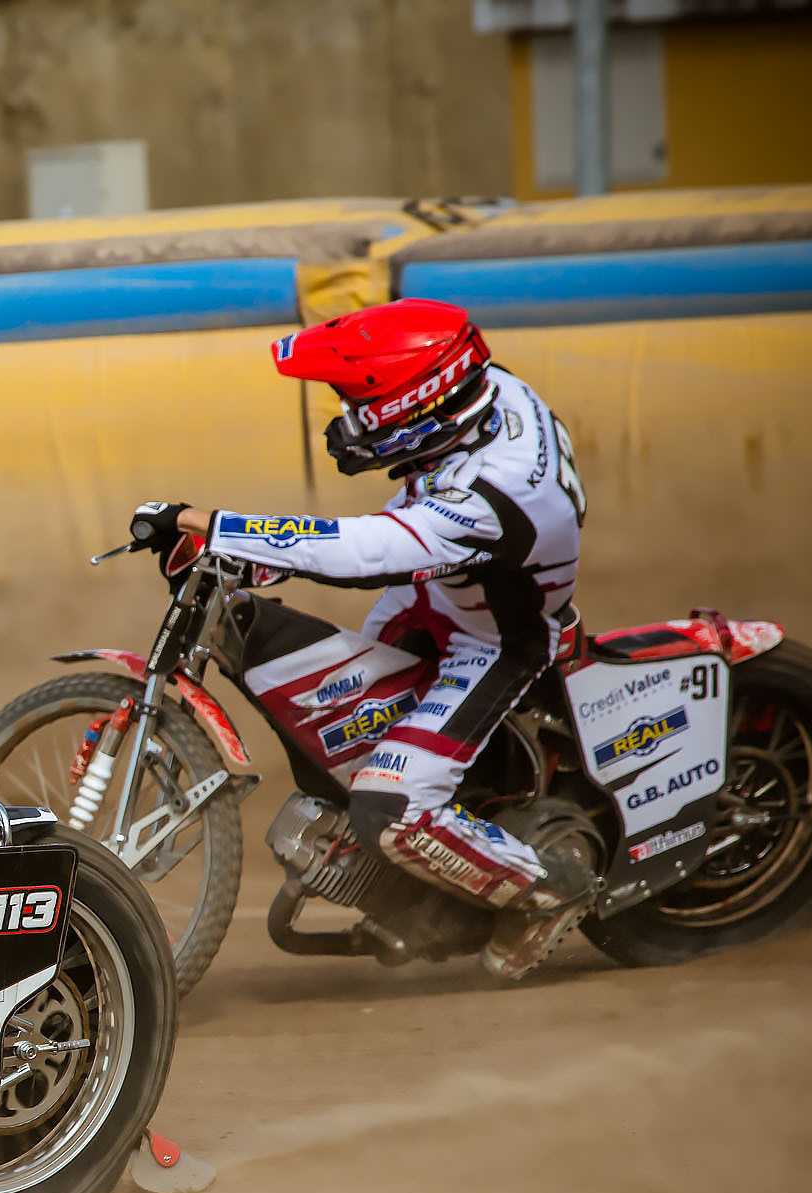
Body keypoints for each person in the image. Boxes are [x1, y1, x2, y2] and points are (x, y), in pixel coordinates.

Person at [127, 298, 593, 979]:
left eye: (361, 404)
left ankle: (548, 891)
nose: (346, 419)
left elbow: (361, 549)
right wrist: (244, 553)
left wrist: (212, 524)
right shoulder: (480, 396)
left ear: (420, 404)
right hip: (448, 586)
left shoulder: (495, 494)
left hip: (494, 639)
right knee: (339, 726)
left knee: (389, 807)